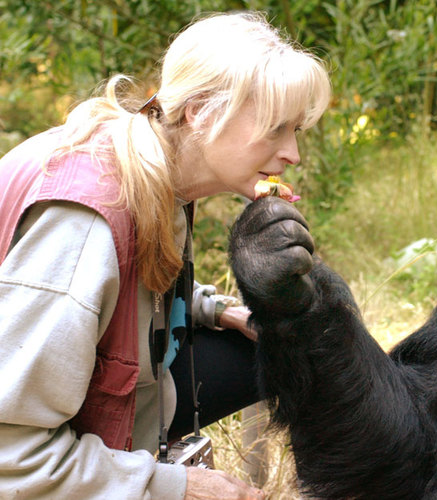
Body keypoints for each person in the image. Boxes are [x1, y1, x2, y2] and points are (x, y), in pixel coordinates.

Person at [0, 11, 330, 500]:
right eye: (276, 128)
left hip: (100, 396)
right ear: (199, 110)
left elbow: (121, 289)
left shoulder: (154, 165)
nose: (293, 154)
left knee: (292, 345)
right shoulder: (85, 223)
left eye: (296, 130)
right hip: (24, 450)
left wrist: (212, 310)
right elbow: (10, 456)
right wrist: (175, 486)